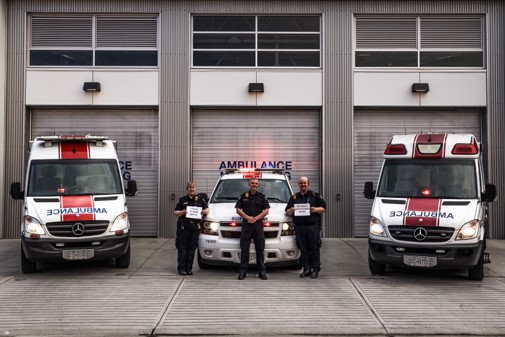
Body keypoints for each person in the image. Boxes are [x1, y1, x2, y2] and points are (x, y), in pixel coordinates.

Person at [285, 176, 326, 278]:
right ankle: (306, 269)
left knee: (314, 248)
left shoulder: (314, 196)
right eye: (301, 183)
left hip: (313, 227)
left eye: (305, 183)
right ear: (298, 184)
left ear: (308, 184)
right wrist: (292, 210)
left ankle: (315, 269)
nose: (303, 185)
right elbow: (287, 211)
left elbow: (324, 208)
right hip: (299, 228)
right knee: (303, 249)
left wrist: (315, 209)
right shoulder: (294, 198)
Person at [235, 177, 270, 280]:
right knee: (244, 249)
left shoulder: (262, 197)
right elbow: (237, 209)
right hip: (246, 225)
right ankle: (243, 272)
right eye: (252, 183)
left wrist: (256, 218)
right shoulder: (243, 196)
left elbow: (266, 210)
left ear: (258, 185)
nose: (254, 185)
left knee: (260, 249)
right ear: (249, 185)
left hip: (258, 225)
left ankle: (262, 272)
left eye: (256, 183)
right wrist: (247, 218)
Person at [174, 181, 209, 275]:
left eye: (193, 188)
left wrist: (202, 211)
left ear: (195, 189)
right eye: (190, 188)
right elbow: (176, 212)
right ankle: (181, 268)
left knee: (192, 248)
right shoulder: (182, 200)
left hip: (195, 227)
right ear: (187, 189)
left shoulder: (200, 200)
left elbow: (207, 210)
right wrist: (182, 212)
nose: (191, 189)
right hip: (184, 227)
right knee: (182, 248)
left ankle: (189, 268)